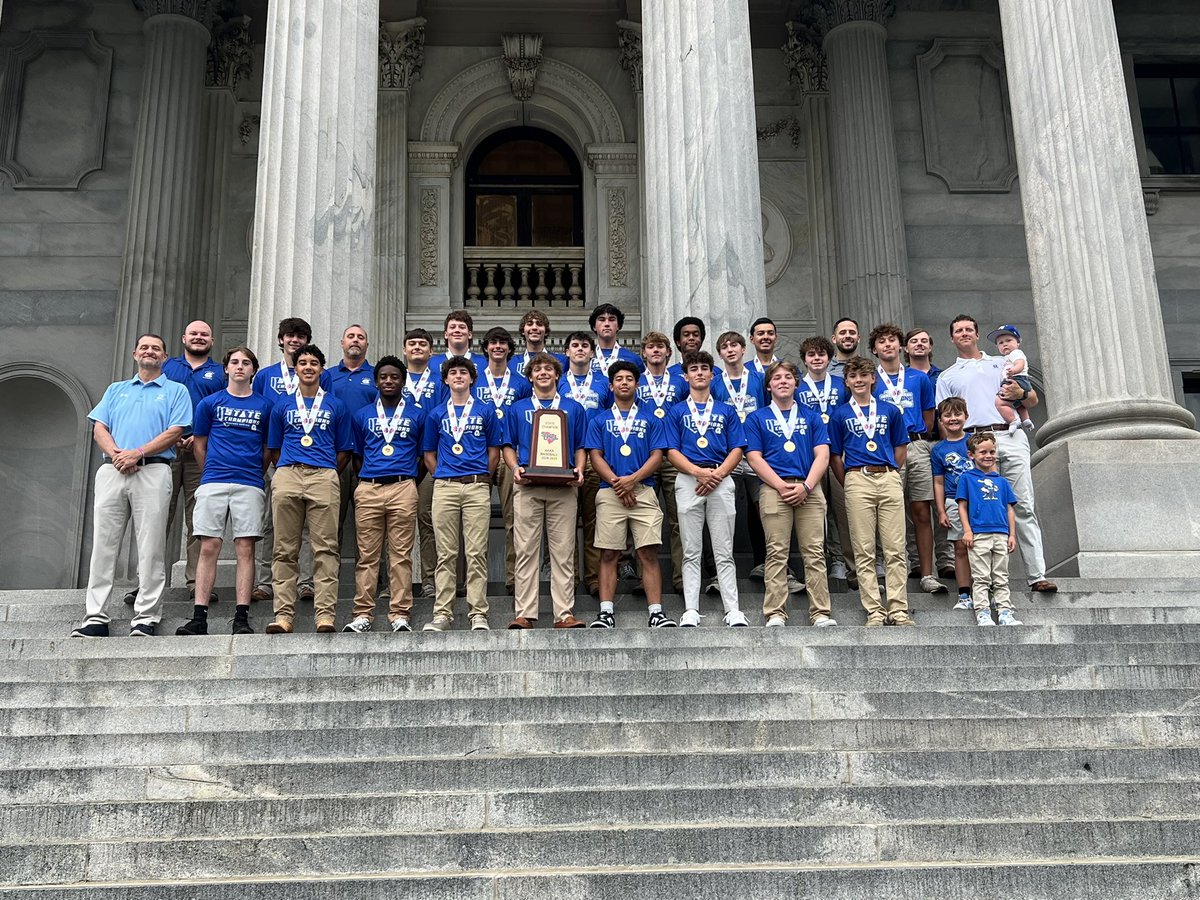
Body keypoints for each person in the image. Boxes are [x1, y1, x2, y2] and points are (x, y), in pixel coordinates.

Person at [71, 334, 192, 638]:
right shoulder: (116, 390)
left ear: (165, 357)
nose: (150, 352)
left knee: (151, 546)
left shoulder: (176, 391)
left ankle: (146, 616)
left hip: (154, 470)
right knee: (103, 545)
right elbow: (100, 427)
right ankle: (96, 616)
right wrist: (117, 455)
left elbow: (175, 431)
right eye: (145, 347)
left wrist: (137, 453)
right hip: (113, 470)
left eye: (156, 348)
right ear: (135, 353)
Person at [935, 314, 1057, 592]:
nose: (964, 333)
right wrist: (956, 450)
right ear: (952, 338)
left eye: (969, 329)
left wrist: (1021, 394)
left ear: (977, 334)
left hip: (1009, 433)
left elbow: (1033, 399)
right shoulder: (947, 376)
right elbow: (945, 418)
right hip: (973, 441)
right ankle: (987, 582)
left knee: (1022, 503)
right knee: (981, 509)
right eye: (958, 331)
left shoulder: (1003, 362)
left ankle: (1037, 575)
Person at [177, 347, 272, 636]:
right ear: (226, 369)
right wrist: (210, 472)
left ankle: (241, 617)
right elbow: (200, 444)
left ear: (253, 370)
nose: (240, 367)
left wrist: (255, 472)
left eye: (246, 363)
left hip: (249, 482)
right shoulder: (209, 403)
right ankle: (199, 616)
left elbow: (268, 448)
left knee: (246, 548)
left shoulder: (264, 406)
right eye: (234, 362)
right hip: (214, 481)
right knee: (209, 546)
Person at [264, 344, 353, 634]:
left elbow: (343, 450)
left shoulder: (336, 405)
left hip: (324, 476)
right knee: (284, 549)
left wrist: (325, 470)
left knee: (326, 548)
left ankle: (325, 614)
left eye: (314, 363)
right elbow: (274, 448)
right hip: (288, 473)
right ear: (296, 368)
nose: (308, 367)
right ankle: (283, 615)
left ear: (321, 369)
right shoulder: (283, 406)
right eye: (303, 362)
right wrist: (289, 468)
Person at [586, 360, 676, 628]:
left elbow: (657, 455)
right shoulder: (600, 419)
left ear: (637, 385)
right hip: (609, 491)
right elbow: (595, 455)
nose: (624, 382)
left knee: (648, 553)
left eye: (629, 379)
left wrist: (633, 480)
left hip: (644, 491)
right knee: (609, 553)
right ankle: (605, 612)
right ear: (611, 385)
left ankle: (656, 612)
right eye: (619, 379)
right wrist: (617, 483)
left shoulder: (650, 419)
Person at [251, 317, 333, 604]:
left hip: (314, 461)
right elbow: (259, 412)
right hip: (277, 457)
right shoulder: (265, 376)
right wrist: (272, 459)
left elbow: (327, 413)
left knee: (313, 527)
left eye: (300, 336)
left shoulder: (322, 375)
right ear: (280, 340)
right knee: (271, 524)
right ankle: (265, 582)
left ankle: (307, 582)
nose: (294, 340)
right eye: (289, 336)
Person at [343, 356, 427, 634]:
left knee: (401, 554)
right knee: (367, 556)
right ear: (376, 381)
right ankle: (363, 613)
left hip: (403, 486)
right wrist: (369, 480)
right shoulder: (363, 415)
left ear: (403, 381)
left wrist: (409, 481)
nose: (389, 381)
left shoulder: (417, 413)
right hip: (369, 487)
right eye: (384, 377)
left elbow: (423, 457)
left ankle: (400, 613)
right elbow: (357, 457)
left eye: (394, 377)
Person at [504, 352, 588, 629]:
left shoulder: (574, 408)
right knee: (525, 550)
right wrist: (515, 467)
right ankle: (525, 613)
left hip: (563, 486)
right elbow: (508, 444)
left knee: (563, 551)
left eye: (548, 369)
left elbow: (580, 446)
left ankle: (564, 613)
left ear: (557, 375)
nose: (543, 373)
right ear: (529, 377)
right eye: (537, 369)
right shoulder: (517, 409)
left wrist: (579, 470)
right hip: (529, 483)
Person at [746, 361, 833, 627]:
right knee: (776, 552)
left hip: (809, 487)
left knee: (815, 552)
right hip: (774, 489)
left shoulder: (811, 416)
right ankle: (775, 612)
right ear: (769, 385)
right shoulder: (757, 418)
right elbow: (753, 457)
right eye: (777, 378)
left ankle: (820, 612)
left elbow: (823, 454)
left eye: (788, 377)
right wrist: (780, 486)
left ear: (796, 383)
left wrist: (806, 486)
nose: (783, 381)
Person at [829, 356, 913, 627]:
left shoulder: (889, 411)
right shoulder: (840, 414)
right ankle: (875, 610)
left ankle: (898, 609)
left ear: (872, 379)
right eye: (853, 377)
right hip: (857, 478)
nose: (859, 381)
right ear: (847, 382)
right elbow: (835, 456)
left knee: (894, 549)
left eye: (863, 376)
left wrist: (890, 473)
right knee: (863, 549)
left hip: (888, 476)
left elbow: (901, 448)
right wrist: (851, 480)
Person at [668, 351, 750, 627]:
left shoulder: (726, 410)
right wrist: (697, 472)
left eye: (705, 368)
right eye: (694, 369)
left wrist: (718, 474)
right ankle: (691, 609)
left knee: (724, 550)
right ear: (686, 376)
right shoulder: (677, 411)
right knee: (691, 549)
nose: (700, 373)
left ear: (712, 375)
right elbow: (671, 450)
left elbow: (738, 447)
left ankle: (733, 609)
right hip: (689, 478)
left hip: (720, 476)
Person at [422, 355, 502, 632]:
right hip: (445, 486)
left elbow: (494, 450)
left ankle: (478, 612)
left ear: (471, 379)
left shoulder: (485, 411)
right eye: (453, 373)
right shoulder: (436, 414)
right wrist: (442, 475)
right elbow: (429, 453)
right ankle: (442, 613)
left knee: (476, 551)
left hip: (477, 485)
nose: (458, 376)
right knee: (446, 553)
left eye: (463, 373)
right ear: (445, 379)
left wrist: (484, 477)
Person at [154, 319, 224, 607]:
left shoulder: (220, 373)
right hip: (164, 451)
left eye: (204, 334)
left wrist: (197, 437)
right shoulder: (166, 367)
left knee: (199, 520)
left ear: (211, 341)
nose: (199, 338)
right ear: (184, 338)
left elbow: (223, 411)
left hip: (201, 454)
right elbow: (155, 405)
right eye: (194, 333)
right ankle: (149, 582)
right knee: (157, 518)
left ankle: (197, 582)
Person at [869, 323, 942, 595]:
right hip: (886, 448)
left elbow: (928, 416)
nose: (888, 345)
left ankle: (926, 573)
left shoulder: (918, 378)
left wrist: (914, 436)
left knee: (922, 511)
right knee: (888, 511)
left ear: (901, 346)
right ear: (875, 349)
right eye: (882, 342)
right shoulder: (872, 379)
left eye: (892, 341)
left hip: (917, 445)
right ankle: (891, 571)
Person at [797, 335, 855, 590]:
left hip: (839, 452)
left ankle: (850, 563)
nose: (816, 359)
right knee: (815, 512)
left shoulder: (842, 385)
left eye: (821, 354)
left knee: (843, 510)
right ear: (804, 360)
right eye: (811, 355)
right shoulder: (797, 387)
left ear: (829, 358)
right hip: (811, 456)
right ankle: (827, 561)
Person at [476, 326, 532, 595]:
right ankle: (473, 581)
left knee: (514, 518)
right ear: (485, 347)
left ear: (510, 348)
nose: (497, 346)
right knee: (474, 519)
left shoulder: (521, 383)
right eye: (492, 342)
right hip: (479, 454)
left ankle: (513, 578)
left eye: (503, 342)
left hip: (511, 453)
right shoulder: (474, 379)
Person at [712, 330, 768, 588]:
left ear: (744, 349)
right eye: (725, 347)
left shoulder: (759, 378)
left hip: (757, 453)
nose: (730, 350)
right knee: (723, 511)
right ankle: (719, 570)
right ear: (720, 353)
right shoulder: (715, 383)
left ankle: (764, 563)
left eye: (735, 345)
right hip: (728, 455)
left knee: (762, 509)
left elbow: (770, 412)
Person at [559, 330, 612, 595]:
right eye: (574, 345)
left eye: (584, 346)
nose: (579, 349)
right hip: (562, 458)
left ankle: (592, 578)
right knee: (565, 521)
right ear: (566, 352)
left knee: (593, 520)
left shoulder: (604, 383)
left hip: (595, 456)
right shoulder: (558, 382)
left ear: (592, 353)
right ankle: (570, 577)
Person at [638, 331, 688, 594]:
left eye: (660, 347)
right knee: (638, 517)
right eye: (650, 347)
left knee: (677, 518)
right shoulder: (634, 382)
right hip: (642, 455)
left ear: (669, 353)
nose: (655, 351)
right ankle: (639, 576)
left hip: (672, 455)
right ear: (643, 353)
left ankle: (682, 577)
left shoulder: (680, 382)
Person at [904, 326, 955, 580]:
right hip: (916, 443)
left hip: (941, 442)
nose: (920, 345)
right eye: (914, 341)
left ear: (931, 346)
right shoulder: (902, 378)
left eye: (925, 340)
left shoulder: (943, 376)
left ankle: (945, 560)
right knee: (917, 506)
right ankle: (916, 561)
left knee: (942, 503)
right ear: (906, 348)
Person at [956, 433, 1022, 626]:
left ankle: (1004, 612)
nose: (988, 455)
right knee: (981, 576)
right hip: (978, 534)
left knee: (1001, 576)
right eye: (983, 452)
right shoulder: (967, 478)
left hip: (1001, 533)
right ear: (971, 455)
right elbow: (962, 506)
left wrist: (1012, 534)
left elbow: (1009, 508)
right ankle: (982, 611)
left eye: (992, 451)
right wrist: (967, 530)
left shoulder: (1001, 481)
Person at [328, 323, 377, 548]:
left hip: (367, 456)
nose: (355, 340)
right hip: (334, 456)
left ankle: (375, 583)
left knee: (370, 527)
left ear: (367, 344)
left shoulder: (377, 376)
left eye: (360, 337)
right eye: (350, 336)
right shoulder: (327, 376)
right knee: (330, 524)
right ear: (342, 343)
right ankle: (328, 581)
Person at [401, 328, 442, 596]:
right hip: (400, 459)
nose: (417, 347)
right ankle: (393, 583)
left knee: (428, 520)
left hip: (429, 457)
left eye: (422, 344)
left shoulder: (441, 382)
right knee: (396, 524)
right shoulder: (392, 378)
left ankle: (429, 580)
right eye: (412, 343)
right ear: (405, 349)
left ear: (431, 351)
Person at [931, 397, 975, 610]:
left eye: (957, 414)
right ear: (940, 420)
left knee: (984, 545)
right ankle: (965, 594)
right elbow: (938, 482)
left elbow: (991, 471)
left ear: (966, 416)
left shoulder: (975, 441)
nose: (953, 419)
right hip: (954, 501)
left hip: (980, 501)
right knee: (959, 547)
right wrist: (941, 510)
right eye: (947, 415)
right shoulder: (938, 450)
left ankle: (989, 589)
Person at [988, 324, 1036, 433]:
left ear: (1018, 343)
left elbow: (1020, 363)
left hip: (1017, 379)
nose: (1005, 344)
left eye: (1008, 340)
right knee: (1018, 404)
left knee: (999, 402)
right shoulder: (1005, 358)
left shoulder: (1016, 353)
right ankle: (1026, 419)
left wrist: (1013, 371)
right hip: (1020, 380)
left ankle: (1013, 420)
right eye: (1000, 343)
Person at [589, 302, 644, 376]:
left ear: (618, 326)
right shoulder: (583, 356)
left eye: (612, 319)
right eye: (602, 319)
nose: (607, 324)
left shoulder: (633, 358)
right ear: (594, 327)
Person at [429, 310, 488, 376]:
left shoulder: (484, 363)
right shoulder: (432, 363)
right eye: (452, 327)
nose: (457, 330)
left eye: (462, 327)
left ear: (470, 334)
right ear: (446, 334)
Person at [512, 308, 568, 377]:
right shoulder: (511, 362)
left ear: (546, 331)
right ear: (523, 331)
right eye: (530, 324)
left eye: (539, 324)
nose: (534, 327)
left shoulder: (562, 361)